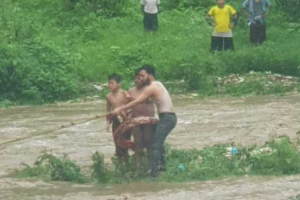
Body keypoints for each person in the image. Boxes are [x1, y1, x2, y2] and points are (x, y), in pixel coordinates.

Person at [112, 65, 177, 177]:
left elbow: (138, 102)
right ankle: (162, 167)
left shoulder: (151, 87)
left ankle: (154, 173)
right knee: (158, 143)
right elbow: (145, 100)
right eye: (139, 76)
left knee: (154, 144)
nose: (140, 78)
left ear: (150, 75)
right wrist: (129, 99)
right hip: (167, 117)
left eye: (143, 76)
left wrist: (120, 109)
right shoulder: (158, 84)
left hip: (167, 118)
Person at [127, 72, 156, 170]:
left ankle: (151, 168)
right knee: (138, 144)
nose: (137, 80)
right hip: (135, 120)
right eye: (135, 78)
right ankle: (138, 168)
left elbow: (148, 100)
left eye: (139, 78)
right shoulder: (130, 91)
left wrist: (132, 99)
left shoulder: (148, 89)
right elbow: (127, 106)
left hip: (148, 120)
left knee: (149, 143)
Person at [106, 73, 131, 165]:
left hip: (126, 120)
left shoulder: (125, 94)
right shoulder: (108, 96)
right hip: (116, 120)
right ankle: (120, 164)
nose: (109, 85)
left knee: (126, 141)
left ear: (118, 84)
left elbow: (131, 106)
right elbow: (108, 111)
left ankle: (127, 162)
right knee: (117, 141)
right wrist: (108, 123)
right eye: (108, 83)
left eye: (112, 83)